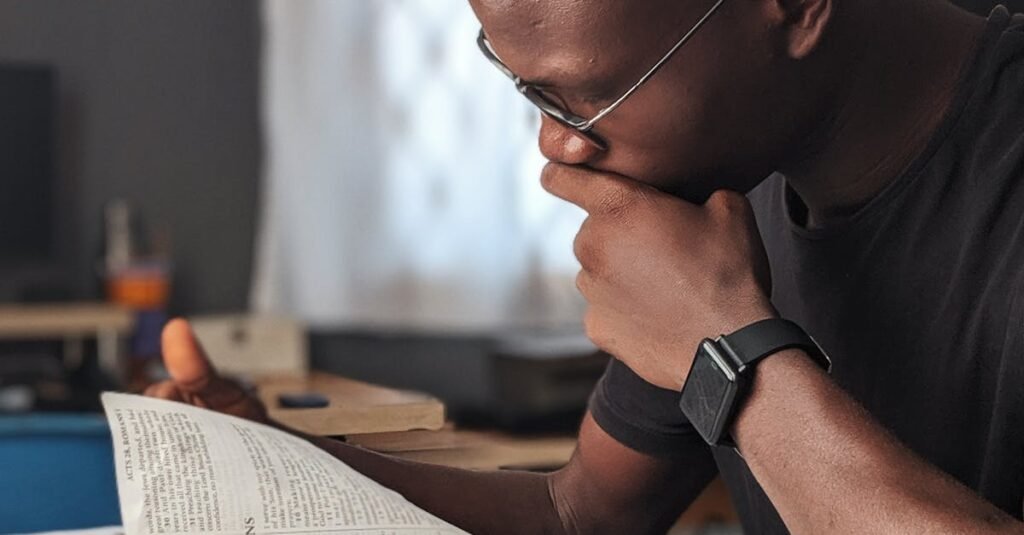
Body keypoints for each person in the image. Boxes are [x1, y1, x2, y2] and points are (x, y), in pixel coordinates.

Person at [146, 0, 1024, 533]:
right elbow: (579, 515)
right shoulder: (730, 178)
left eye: (589, 95)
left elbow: (717, 346)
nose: (555, 145)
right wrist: (268, 459)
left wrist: (728, 349)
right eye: (528, 91)